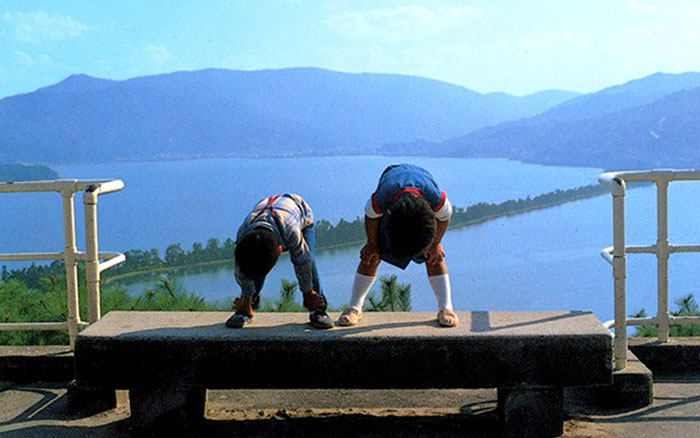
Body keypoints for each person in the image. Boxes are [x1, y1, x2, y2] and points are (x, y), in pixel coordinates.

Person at [338, 164, 458, 327]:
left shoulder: (436, 198)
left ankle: (447, 308)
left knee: (434, 256)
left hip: (420, 190)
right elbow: (371, 215)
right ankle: (354, 307)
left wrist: (436, 243)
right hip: (395, 194)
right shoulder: (382, 198)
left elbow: (445, 216)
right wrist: (372, 244)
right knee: (371, 255)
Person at [227, 193, 334, 329]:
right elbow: (241, 266)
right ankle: (247, 307)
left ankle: (318, 310)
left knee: (310, 259)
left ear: (279, 250)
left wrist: (307, 293)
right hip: (269, 214)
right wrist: (246, 297)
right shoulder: (243, 234)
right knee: (253, 260)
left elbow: (303, 261)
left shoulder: (291, 231)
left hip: (300, 213)